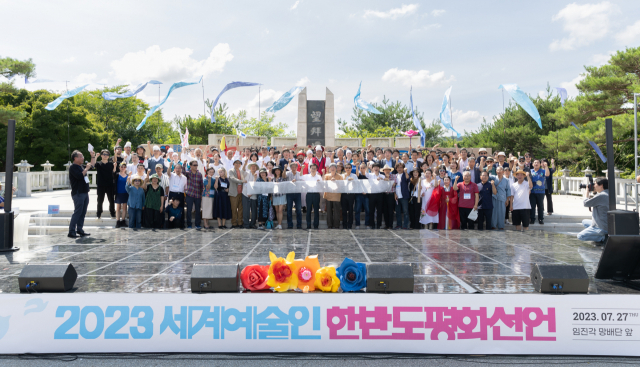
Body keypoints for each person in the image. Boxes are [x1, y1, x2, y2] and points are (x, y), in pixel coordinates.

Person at [67, 149, 96, 238]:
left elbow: (92, 165)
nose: (83, 158)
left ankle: (80, 229)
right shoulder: (73, 167)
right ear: (75, 158)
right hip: (78, 193)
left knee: (83, 212)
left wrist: (93, 156)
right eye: (81, 156)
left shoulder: (81, 166)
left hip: (85, 192)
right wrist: (86, 168)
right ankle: (71, 231)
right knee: (77, 212)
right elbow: (79, 176)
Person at [577, 178, 609, 243]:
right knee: (584, 222)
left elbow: (586, 203)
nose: (594, 186)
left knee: (580, 236)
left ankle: (603, 237)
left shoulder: (601, 195)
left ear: (601, 185)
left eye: (595, 184)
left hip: (601, 227)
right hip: (606, 224)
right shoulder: (608, 193)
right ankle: (597, 234)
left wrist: (587, 193)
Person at [95, 149, 116, 219]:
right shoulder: (98, 163)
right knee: (100, 200)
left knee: (111, 200)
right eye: (104, 154)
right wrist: (95, 157)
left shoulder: (111, 164)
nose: (105, 156)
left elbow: (114, 172)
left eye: (107, 154)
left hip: (110, 184)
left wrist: (115, 166)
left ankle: (112, 213)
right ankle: (98, 214)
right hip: (101, 184)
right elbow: (93, 165)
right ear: (101, 155)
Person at [183, 160, 204, 229]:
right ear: (191, 166)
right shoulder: (188, 173)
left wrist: (201, 194)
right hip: (190, 194)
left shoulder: (199, 174)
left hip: (198, 194)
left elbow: (201, 185)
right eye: (194, 165)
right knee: (189, 210)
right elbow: (183, 172)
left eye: (196, 165)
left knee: (198, 210)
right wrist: (184, 164)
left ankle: (197, 224)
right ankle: (189, 224)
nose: (196, 166)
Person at [166, 163, 187, 228]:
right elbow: (168, 172)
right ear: (174, 169)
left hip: (180, 194)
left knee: (181, 209)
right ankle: (170, 223)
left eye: (179, 168)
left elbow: (185, 187)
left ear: (181, 169)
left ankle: (181, 224)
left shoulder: (184, 177)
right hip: (172, 193)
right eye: (176, 168)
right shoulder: (171, 175)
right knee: (171, 208)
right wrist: (170, 166)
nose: (178, 170)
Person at [529, 159, 550, 225]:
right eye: (535, 162)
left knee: (540, 206)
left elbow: (547, 174)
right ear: (532, 164)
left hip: (541, 192)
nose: (536, 164)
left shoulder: (542, 171)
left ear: (540, 164)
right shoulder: (530, 171)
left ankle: (541, 219)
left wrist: (546, 166)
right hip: (532, 191)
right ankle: (532, 219)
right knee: (532, 206)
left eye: (537, 162)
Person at [324, 163, 343, 229]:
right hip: (329, 195)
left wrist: (336, 181)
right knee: (329, 211)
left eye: (334, 167)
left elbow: (341, 185)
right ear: (329, 169)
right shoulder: (326, 176)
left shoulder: (340, 176)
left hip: (337, 196)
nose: (332, 168)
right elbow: (324, 184)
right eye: (331, 167)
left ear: (336, 168)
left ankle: (336, 225)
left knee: (337, 211)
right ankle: (329, 225)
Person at [303, 163, 322, 229]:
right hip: (309, 194)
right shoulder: (306, 176)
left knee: (316, 210)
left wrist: (320, 182)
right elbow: (300, 177)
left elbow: (322, 186)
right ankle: (308, 225)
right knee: (308, 210)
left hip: (316, 194)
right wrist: (302, 169)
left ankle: (316, 225)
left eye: (315, 168)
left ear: (316, 169)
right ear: (310, 169)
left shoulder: (319, 177)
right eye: (312, 168)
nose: (313, 170)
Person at [228, 159, 245, 229]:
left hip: (241, 192)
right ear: (234, 164)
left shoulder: (241, 171)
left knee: (241, 209)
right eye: (236, 163)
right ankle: (234, 223)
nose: (237, 164)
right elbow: (232, 178)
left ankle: (240, 222)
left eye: (239, 163)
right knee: (234, 208)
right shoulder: (231, 171)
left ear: (240, 165)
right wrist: (242, 181)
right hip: (234, 192)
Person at [286, 161, 303, 229]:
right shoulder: (288, 173)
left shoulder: (299, 173)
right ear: (290, 168)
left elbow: (302, 180)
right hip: (289, 193)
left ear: (297, 167)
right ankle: (290, 225)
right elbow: (284, 176)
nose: (293, 168)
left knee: (298, 209)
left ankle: (299, 224)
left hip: (297, 192)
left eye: (295, 167)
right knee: (289, 209)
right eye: (292, 167)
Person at [394, 162, 410, 230]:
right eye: (398, 167)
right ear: (396, 168)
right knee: (398, 212)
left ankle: (405, 225)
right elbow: (393, 186)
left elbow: (408, 179)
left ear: (403, 168)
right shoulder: (395, 176)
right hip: (397, 196)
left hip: (404, 196)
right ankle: (399, 225)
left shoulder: (405, 174)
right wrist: (395, 194)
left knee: (406, 211)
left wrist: (406, 172)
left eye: (401, 167)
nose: (399, 169)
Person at [341, 162, 357, 229]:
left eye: (349, 168)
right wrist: (345, 179)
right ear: (344, 169)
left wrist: (353, 181)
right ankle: (344, 225)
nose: (348, 169)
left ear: (351, 169)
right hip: (344, 194)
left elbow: (357, 185)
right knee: (344, 211)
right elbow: (340, 185)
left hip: (351, 195)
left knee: (351, 210)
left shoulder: (354, 176)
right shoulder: (341, 176)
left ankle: (350, 224)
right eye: (346, 168)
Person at [243, 162, 259, 229]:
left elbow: (256, 186)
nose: (253, 167)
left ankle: (253, 224)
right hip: (245, 193)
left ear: (256, 168)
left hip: (254, 195)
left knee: (254, 210)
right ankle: (246, 224)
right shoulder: (246, 173)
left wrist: (255, 178)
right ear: (249, 167)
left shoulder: (257, 176)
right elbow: (242, 170)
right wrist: (245, 163)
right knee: (246, 210)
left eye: (254, 166)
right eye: (252, 166)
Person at [114, 162, 129, 228]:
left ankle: (123, 220)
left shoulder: (128, 175)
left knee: (125, 207)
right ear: (119, 167)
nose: (123, 168)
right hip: (118, 192)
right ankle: (118, 221)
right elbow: (113, 174)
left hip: (125, 193)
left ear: (126, 168)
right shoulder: (117, 175)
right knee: (118, 207)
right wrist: (114, 166)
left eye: (124, 167)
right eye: (121, 167)